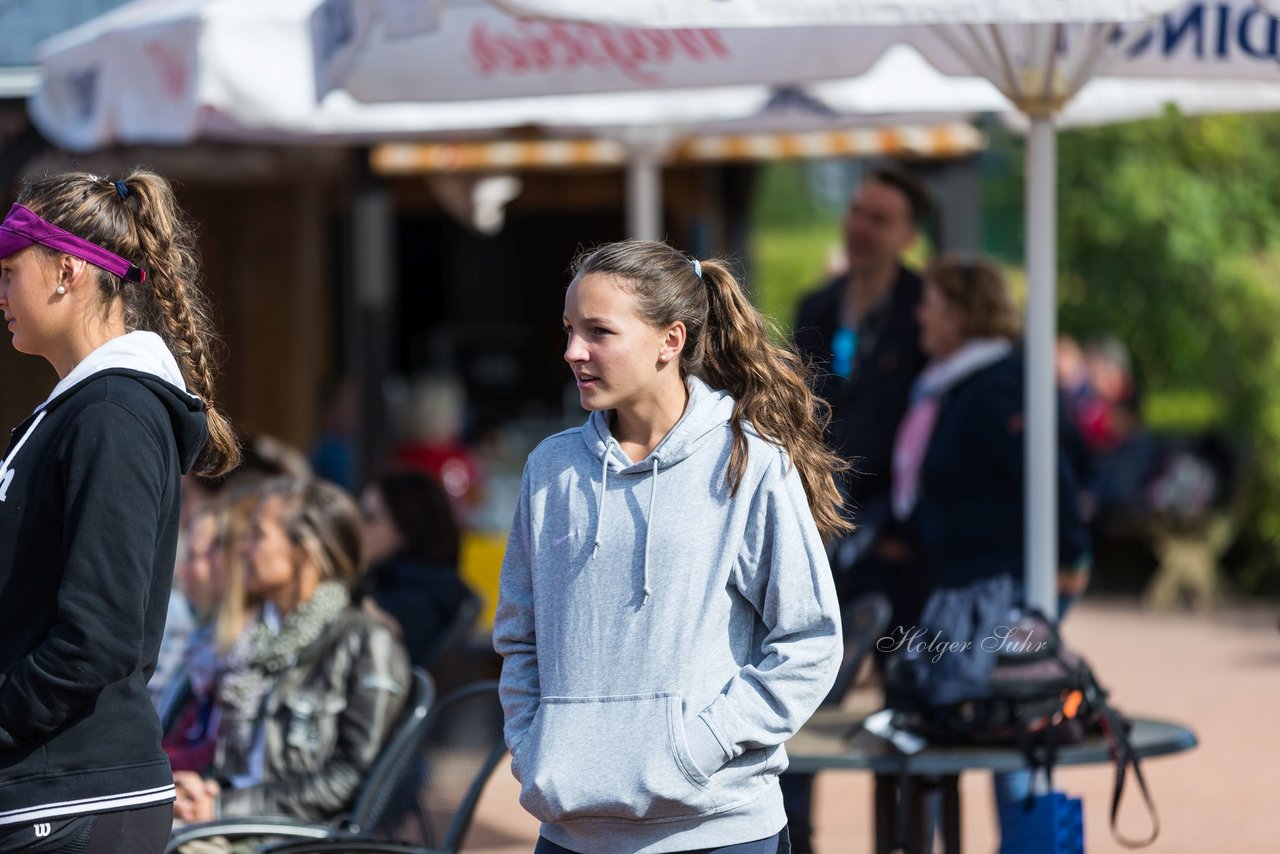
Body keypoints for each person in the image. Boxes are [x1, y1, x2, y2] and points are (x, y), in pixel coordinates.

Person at [493, 239, 846, 854]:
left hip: (719, 831)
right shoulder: (549, 469)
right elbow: (519, 637)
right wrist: (535, 744)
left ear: (671, 340)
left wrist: (697, 748)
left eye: (599, 332)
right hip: (571, 832)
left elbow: (808, 643)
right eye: (570, 330)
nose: (573, 351)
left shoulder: (749, 463)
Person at [0, 170, 238, 852]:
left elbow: (97, 638)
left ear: (66, 271)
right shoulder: (80, 411)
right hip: (55, 793)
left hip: (76, 794)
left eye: (10, 270)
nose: (1, 293)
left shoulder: (113, 413)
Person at [887, 256, 1090, 847]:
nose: (919, 313)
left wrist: (1064, 575)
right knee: (974, 726)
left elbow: (1054, 481)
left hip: (1005, 590)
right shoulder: (951, 383)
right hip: (967, 587)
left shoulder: (997, 382)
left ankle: (1030, 844)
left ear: (961, 314)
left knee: (1014, 724)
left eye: (931, 303)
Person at [787, 165, 933, 852]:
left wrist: (906, 529)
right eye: (856, 211)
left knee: (910, 714)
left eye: (880, 217)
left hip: (900, 546)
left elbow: (937, 430)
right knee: (797, 703)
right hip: (822, 531)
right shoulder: (817, 303)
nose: (861, 225)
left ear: (908, 233)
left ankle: (904, 842)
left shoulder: (926, 307)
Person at [171, 477, 410, 836]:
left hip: (289, 836)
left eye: (258, 535)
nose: (242, 549)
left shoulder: (365, 641)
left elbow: (353, 775)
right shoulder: (257, 636)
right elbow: (239, 760)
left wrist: (221, 808)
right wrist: (200, 789)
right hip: (232, 819)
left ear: (304, 552)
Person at [357, 471, 476, 671]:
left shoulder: (417, 602)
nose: (357, 527)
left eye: (368, 517)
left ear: (407, 525)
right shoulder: (393, 583)